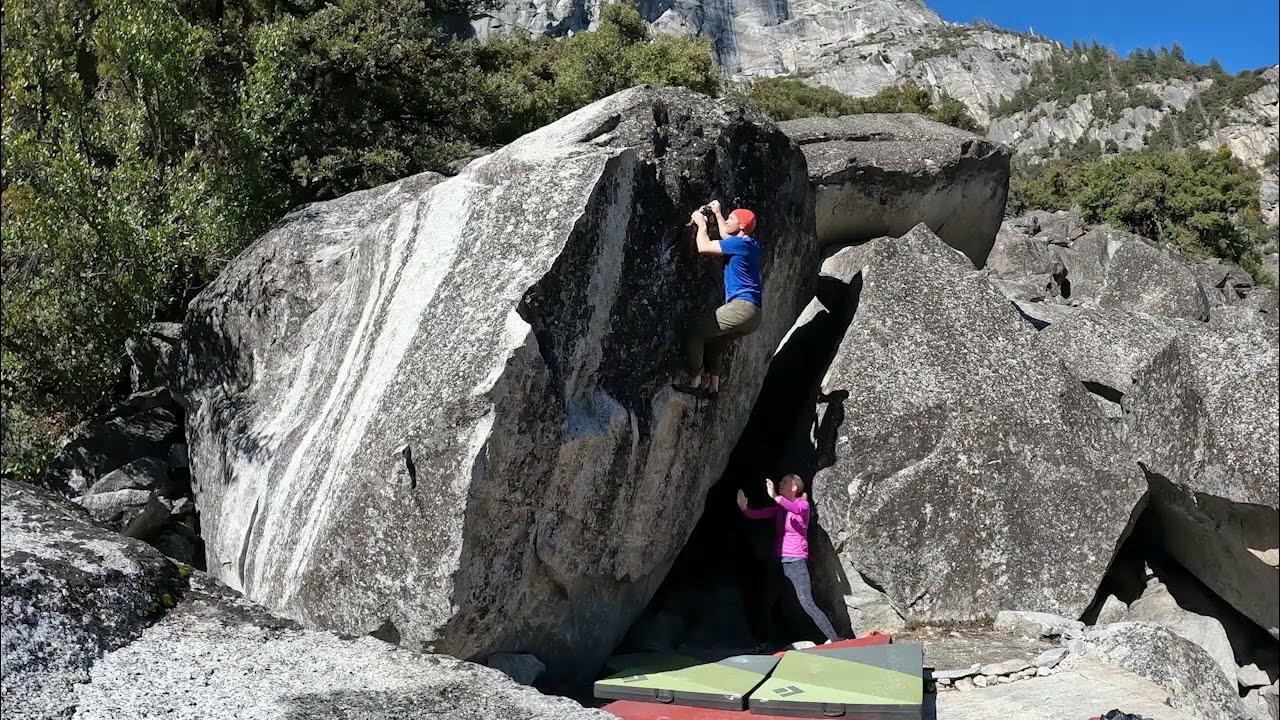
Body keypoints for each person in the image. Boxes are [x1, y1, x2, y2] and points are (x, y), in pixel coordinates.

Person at [673, 200, 762, 399]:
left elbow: (704, 247)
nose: (727, 220)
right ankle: (713, 387)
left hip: (741, 307)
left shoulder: (738, 244)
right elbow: (725, 235)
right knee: (716, 344)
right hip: (754, 316)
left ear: (740, 226)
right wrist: (718, 212)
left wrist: (701, 224)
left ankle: (695, 380)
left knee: (695, 332)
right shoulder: (751, 244)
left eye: (731, 218)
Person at [736, 475, 841, 644]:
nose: (780, 483)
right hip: (780, 564)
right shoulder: (779, 510)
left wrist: (776, 497)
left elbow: (797, 511)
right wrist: (744, 509)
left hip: (797, 562)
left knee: (807, 602)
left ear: (794, 487)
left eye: (784, 482)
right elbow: (757, 514)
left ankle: (835, 640)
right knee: (766, 601)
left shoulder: (802, 504)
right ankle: (765, 643)